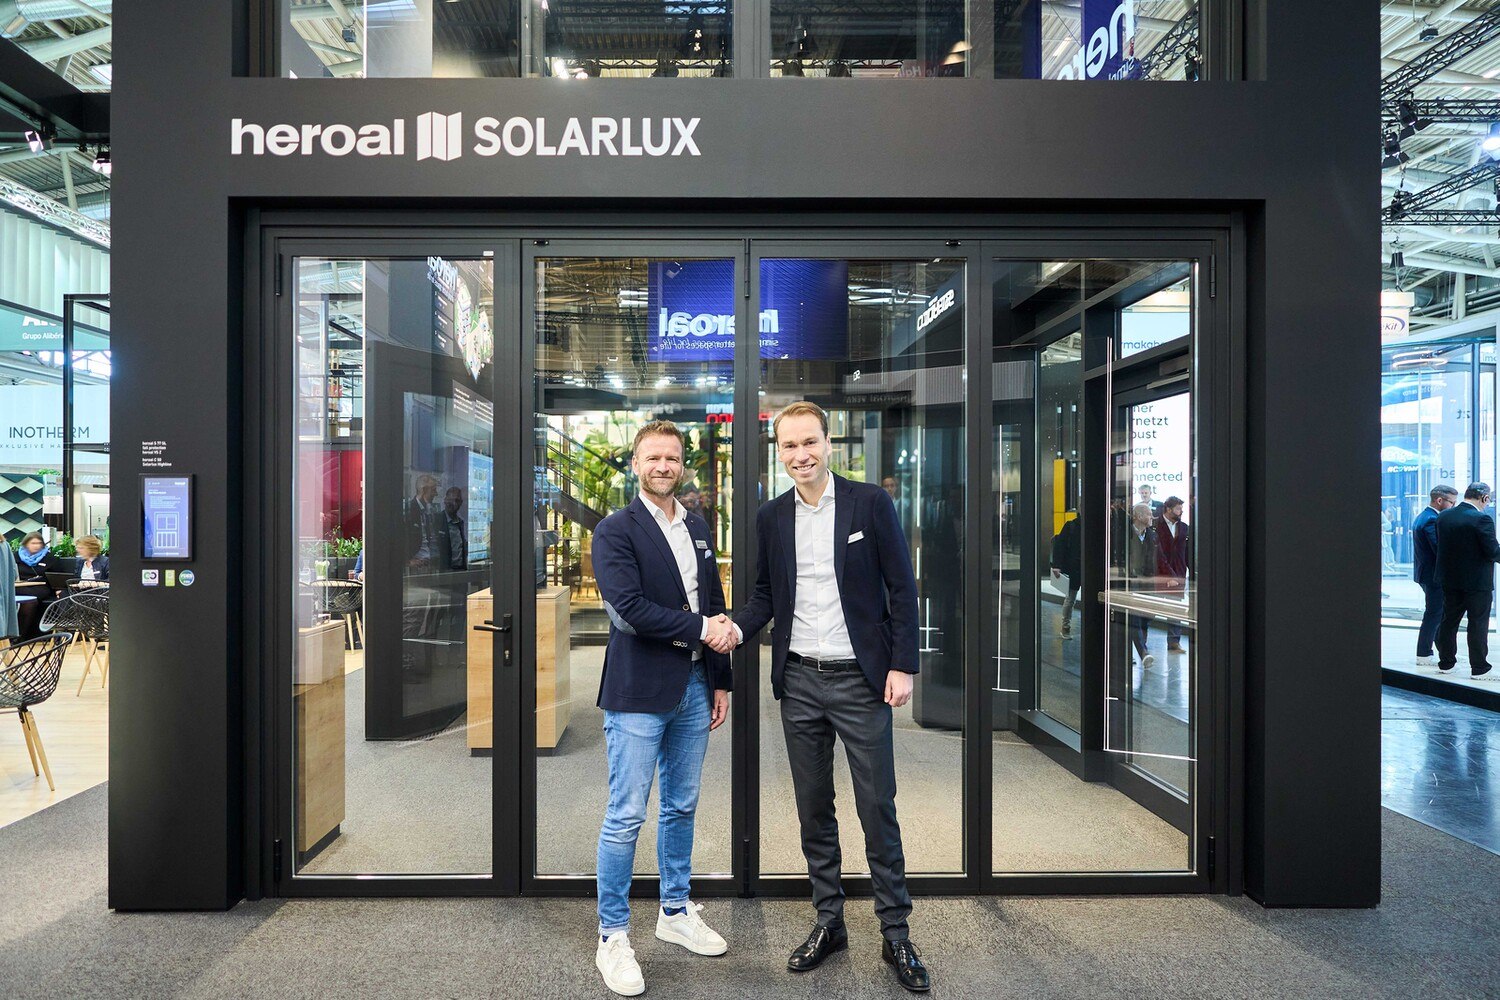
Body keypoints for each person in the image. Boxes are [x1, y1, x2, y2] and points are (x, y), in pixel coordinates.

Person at [730, 401, 931, 994]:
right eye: (789, 447)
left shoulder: (870, 503)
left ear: (827, 443)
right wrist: (737, 628)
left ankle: (896, 933)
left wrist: (902, 665)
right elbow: (764, 597)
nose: (801, 456)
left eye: (809, 443)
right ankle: (830, 921)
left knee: (877, 807)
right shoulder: (771, 518)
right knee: (814, 807)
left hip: (860, 681)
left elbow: (902, 588)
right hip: (800, 682)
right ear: (779, 451)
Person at [589, 420, 733, 997]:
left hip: (695, 686)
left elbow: (714, 600)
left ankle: (674, 912)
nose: (663, 466)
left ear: (681, 465)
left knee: (682, 804)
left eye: (672, 458)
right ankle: (612, 935)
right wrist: (702, 628)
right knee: (626, 813)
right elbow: (628, 611)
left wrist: (720, 678)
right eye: (653, 457)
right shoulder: (614, 531)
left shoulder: (697, 525)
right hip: (637, 692)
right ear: (635, 463)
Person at [1434, 482, 1500, 680]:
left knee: (1449, 620)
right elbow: (1493, 551)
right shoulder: (1482, 519)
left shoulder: (1444, 516)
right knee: (1478, 623)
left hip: (1450, 579)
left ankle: (1446, 663)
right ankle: (1479, 668)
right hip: (1477, 582)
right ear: (1484, 498)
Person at [1412, 485, 1458, 666]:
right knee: (1434, 613)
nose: (1453, 507)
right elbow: (1439, 549)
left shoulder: (1423, 516)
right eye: (1452, 503)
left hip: (1426, 573)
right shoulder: (1431, 520)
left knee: (1436, 613)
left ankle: (1436, 651)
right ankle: (1423, 653)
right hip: (1433, 575)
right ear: (1440, 501)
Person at [1154, 497, 1191, 653]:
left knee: (1175, 607)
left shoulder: (1184, 527)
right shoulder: (1156, 525)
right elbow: (1156, 552)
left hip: (1179, 572)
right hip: (1159, 573)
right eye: (1178, 508)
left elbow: (1187, 551)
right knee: (1151, 608)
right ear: (1168, 509)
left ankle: (1174, 642)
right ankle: (1143, 645)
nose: (1181, 511)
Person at [1126, 502, 1159, 669]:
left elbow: (1158, 558)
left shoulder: (1152, 535)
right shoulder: (1125, 534)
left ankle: (1142, 649)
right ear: (1139, 516)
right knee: (1135, 619)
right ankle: (1143, 652)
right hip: (1131, 584)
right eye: (1148, 514)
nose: (1151, 517)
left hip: (1148, 584)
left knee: (1146, 618)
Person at [1050, 514, 1081, 639]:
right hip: (1074, 568)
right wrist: (1056, 565)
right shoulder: (1071, 526)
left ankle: (1066, 627)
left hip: (1081, 568)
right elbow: (1060, 546)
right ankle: (1065, 627)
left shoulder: (1094, 526)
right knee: (1070, 598)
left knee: (1070, 599)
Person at [437, 487, 467, 571]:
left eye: (457, 501)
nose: (453, 503)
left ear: (461, 503)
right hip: (444, 571)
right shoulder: (437, 520)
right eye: (450, 500)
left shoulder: (460, 523)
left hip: (460, 570)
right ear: (445, 500)